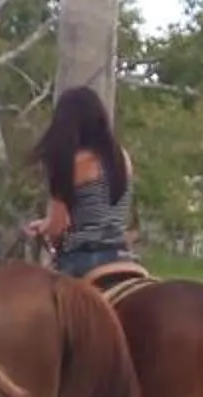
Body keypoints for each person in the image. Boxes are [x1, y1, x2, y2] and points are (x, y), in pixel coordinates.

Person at [33, 83, 137, 279]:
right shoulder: (121, 157)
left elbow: (58, 227)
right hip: (123, 255)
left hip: (83, 258)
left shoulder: (71, 163)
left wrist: (49, 231)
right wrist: (46, 223)